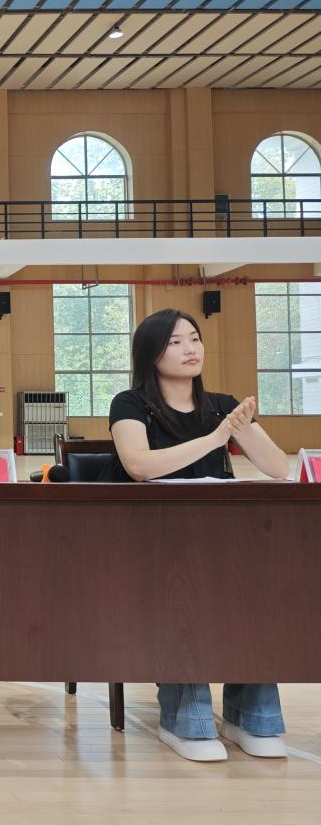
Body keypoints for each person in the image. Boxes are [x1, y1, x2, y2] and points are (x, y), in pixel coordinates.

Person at [108, 307, 290, 762]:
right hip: (153, 542)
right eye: (175, 342)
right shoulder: (129, 404)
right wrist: (214, 438)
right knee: (183, 594)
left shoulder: (222, 406)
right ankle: (183, 715)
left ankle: (251, 714)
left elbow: (278, 468)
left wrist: (241, 427)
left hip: (219, 539)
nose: (190, 349)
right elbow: (139, 466)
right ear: (151, 353)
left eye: (194, 338)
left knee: (256, 592)